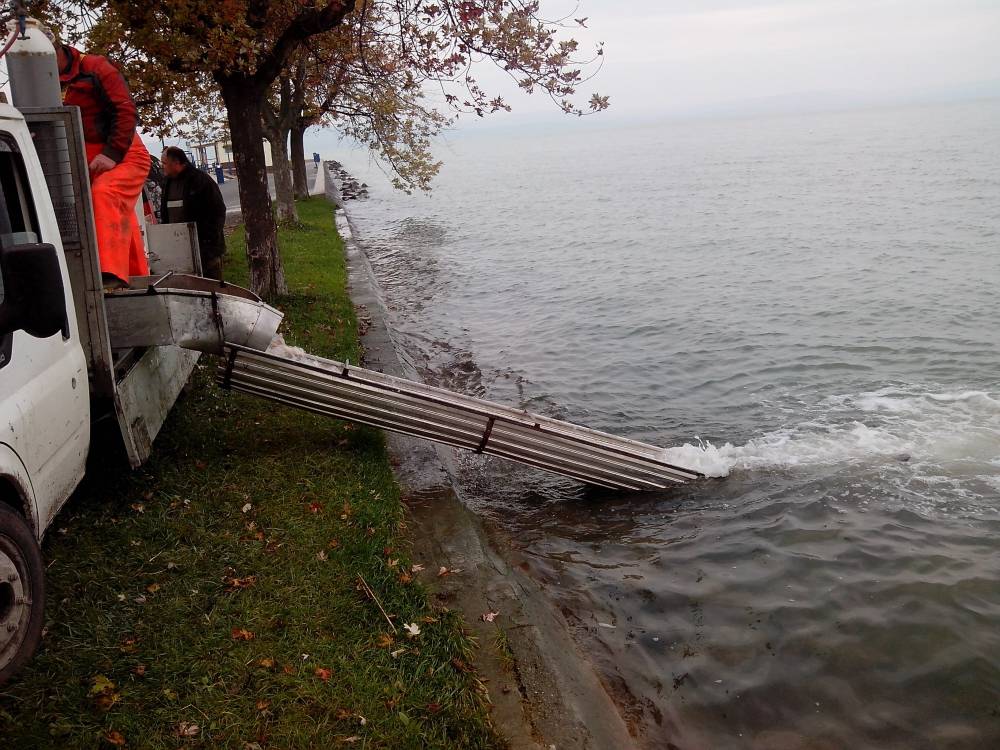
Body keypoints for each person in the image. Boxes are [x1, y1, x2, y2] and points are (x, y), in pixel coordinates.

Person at [55, 40, 150, 289]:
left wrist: (111, 153)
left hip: (125, 151)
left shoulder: (96, 68)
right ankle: (136, 279)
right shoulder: (41, 81)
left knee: (104, 194)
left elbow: (126, 109)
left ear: (58, 50)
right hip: (86, 155)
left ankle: (110, 276)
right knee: (115, 214)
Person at [159, 147, 228, 281]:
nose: (162, 167)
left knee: (211, 287)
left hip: (205, 251)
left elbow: (218, 212)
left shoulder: (201, 181)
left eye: (164, 163)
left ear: (176, 163)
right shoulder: (167, 183)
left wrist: (208, 243)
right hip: (180, 249)